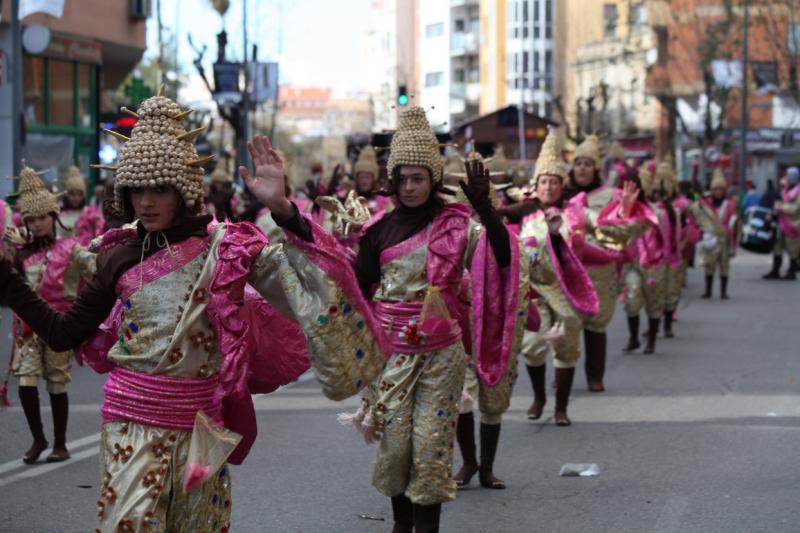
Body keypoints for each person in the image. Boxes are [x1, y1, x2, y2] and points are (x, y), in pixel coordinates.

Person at [0, 94, 392, 532]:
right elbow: (63, 332)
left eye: (160, 189)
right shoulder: (117, 256)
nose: (146, 202)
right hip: (130, 427)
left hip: (202, 431)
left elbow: (304, 290)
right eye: (138, 190)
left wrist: (284, 211)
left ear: (184, 191)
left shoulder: (227, 248)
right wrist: (8, 278)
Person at [344, 105, 524, 532]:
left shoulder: (457, 225)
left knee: (429, 450)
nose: (409, 187)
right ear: (391, 180)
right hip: (390, 359)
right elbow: (359, 292)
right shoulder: (376, 232)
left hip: (442, 360)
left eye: (418, 178)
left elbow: (501, 258)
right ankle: (400, 526)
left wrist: (485, 208)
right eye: (402, 178)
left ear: (434, 179)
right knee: (395, 450)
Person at [515, 132, 643, 425]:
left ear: (562, 186)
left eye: (554, 182)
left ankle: (561, 408)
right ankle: (538, 397)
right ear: (536, 185)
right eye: (543, 181)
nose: (549, 186)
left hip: (568, 290)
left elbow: (609, 229)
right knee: (531, 348)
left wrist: (624, 212)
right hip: (534, 294)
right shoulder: (524, 214)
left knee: (568, 347)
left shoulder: (576, 211)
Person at [4, 164, 96, 464]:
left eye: (42, 218)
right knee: (27, 385)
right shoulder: (21, 252)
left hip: (60, 325)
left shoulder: (72, 248)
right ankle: (38, 439)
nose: (37, 224)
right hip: (28, 329)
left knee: (57, 383)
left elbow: (96, 271)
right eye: (31, 219)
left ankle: (59, 443)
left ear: (53, 217)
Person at [566, 134, 653, 391]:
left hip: (599, 270)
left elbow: (627, 226)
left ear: (596, 168)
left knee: (596, 324)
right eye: (578, 162)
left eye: (587, 163)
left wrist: (625, 210)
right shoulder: (562, 193)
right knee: (567, 325)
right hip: (567, 268)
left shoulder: (611, 195)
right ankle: (564, 374)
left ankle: (595, 376)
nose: (582, 167)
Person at [620, 161, 670, 354]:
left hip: (654, 264)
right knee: (632, 301)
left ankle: (651, 341)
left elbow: (665, 240)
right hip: (632, 264)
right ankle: (633, 337)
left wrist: (664, 263)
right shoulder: (622, 213)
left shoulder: (657, 213)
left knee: (653, 304)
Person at [690, 168, 738, 298]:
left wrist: (733, 241)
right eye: (715, 189)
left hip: (724, 240)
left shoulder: (729, 205)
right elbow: (695, 206)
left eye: (720, 189)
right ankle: (708, 291)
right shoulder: (706, 204)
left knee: (724, 266)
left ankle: (723, 292)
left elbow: (734, 223)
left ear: (724, 190)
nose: (718, 192)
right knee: (709, 266)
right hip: (710, 239)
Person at [764, 166, 800, 280]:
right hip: (781, 223)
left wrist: (781, 207)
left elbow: (796, 208)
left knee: (792, 249)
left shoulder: (798, 191)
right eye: (787, 175)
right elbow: (780, 202)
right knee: (777, 246)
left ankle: (792, 272)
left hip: (794, 224)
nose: (788, 177)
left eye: (790, 175)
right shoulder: (785, 190)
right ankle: (775, 270)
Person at [57, 165, 104, 246]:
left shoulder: (89, 213)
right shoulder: (57, 211)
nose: (76, 198)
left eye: (80, 195)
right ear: (66, 195)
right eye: (73, 195)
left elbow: (99, 236)